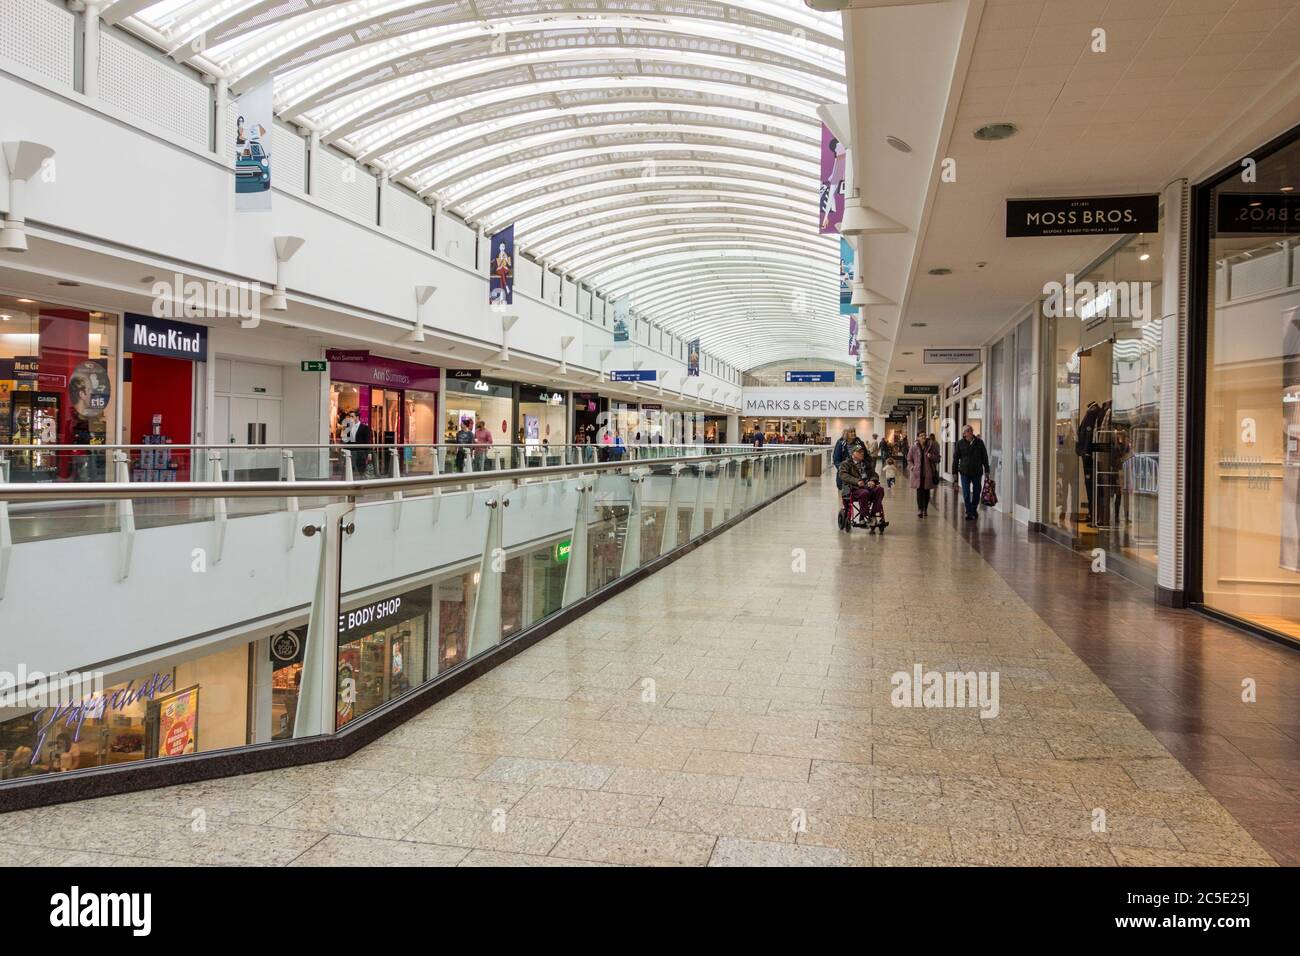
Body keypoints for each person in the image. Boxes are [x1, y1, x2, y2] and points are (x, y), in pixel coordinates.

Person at [837, 446, 880, 532]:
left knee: (880, 490)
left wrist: (872, 481)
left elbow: (874, 474)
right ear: (853, 454)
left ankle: (872, 515)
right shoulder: (846, 463)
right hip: (853, 488)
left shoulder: (866, 464)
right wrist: (856, 481)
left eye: (862, 452)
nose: (862, 453)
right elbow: (843, 475)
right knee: (864, 493)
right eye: (859, 452)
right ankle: (862, 517)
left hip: (867, 487)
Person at [954, 425, 991, 520]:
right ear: (964, 433)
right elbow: (955, 459)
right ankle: (969, 512)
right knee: (966, 493)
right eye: (968, 431)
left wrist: (987, 470)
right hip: (964, 472)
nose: (970, 432)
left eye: (971, 430)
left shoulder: (979, 442)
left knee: (977, 491)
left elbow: (985, 457)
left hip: (977, 471)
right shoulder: (960, 443)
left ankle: (973, 508)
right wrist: (954, 474)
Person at [908, 432, 940, 517]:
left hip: (928, 474)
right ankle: (920, 509)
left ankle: (925, 508)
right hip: (917, 474)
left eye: (924, 435)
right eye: (921, 436)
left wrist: (931, 456)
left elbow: (938, 458)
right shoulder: (914, 447)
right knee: (919, 492)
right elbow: (909, 458)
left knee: (926, 492)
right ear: (918, 437)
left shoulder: (931, 446)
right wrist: (912, 466)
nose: (923, 437)